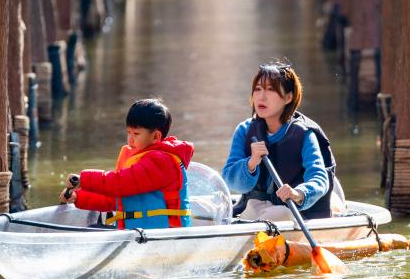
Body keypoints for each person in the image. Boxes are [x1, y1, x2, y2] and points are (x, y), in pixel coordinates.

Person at [222, 62, 339, 221]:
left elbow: (320, 179)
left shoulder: (304, 134)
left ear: (288, 97)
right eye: (257, 89)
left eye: (270, 90)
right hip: (255, 208)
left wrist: (298, 193)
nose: (261, 96)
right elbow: (229, 181)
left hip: (296, 213)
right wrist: (251, 163)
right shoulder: (244, 130)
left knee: (277, 214)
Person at [60, 99, 194, 229]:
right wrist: (78, 197)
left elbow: (118, 184)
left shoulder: (161, 162)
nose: (130, 139)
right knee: (92, 229)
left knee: (90, 232)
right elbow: (115, 200)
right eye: (128, 132)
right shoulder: (140, 159)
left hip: (164, 236)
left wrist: (83, 179)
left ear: (156, 137)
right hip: (138, 234)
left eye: (136, 133)